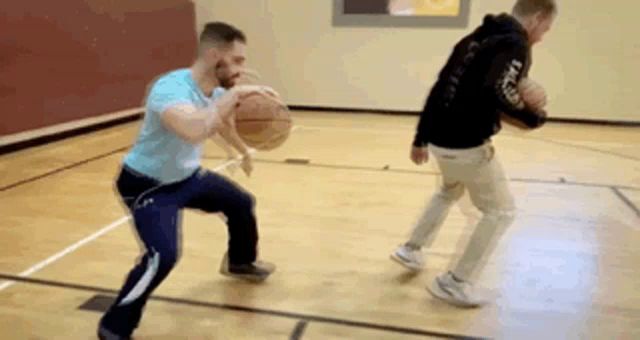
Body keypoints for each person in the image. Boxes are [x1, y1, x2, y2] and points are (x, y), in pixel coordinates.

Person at [98, 22, 282, 339]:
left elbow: (219, 121)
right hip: (148, 185)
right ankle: (114, 326)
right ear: (213, 56)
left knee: (241, 203)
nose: (242, 68)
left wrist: (241, 151)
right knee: (163, 256)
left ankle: (240, 262)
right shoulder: (171, 89)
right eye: (237, 60)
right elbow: (194, 128)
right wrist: (235, 94)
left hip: (187, 177)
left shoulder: (216, 90)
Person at [390, 0, 557, 308]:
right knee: (501, 212)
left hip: (441, 140)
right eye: (545, 28)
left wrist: (421, 137)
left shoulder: (475, 37)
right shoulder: (515, 43)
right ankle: (455, 283)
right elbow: (498, 89)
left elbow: (441, 86)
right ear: (536, 18)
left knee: (448, 191)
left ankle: (411, 249)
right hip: (466, 145)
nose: (543, 36)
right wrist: (533, 117)